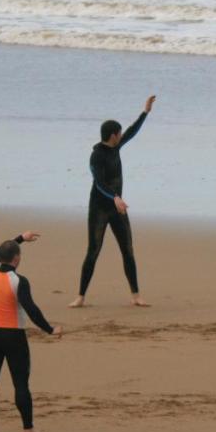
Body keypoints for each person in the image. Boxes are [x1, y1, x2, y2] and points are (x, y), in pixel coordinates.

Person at [71, 95, 156, 308]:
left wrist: (145, 112)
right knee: (93, 251)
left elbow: (131, 132)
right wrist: (116, 197)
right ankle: (80, 297)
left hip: (118, 209)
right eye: (118, 134)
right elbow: (99, 183)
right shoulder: (96, 156)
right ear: (112, 136)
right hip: (100, 209)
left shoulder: (115, 147)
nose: (121, 136)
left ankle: (136, 295)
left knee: (127, 250)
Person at [0, 232, 62, 432]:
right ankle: (28, 428)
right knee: (21, 384)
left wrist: (20, 238)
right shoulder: (18, 280)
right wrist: (50, 329)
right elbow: (31, 309)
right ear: (17, 259)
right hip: (13, 336)